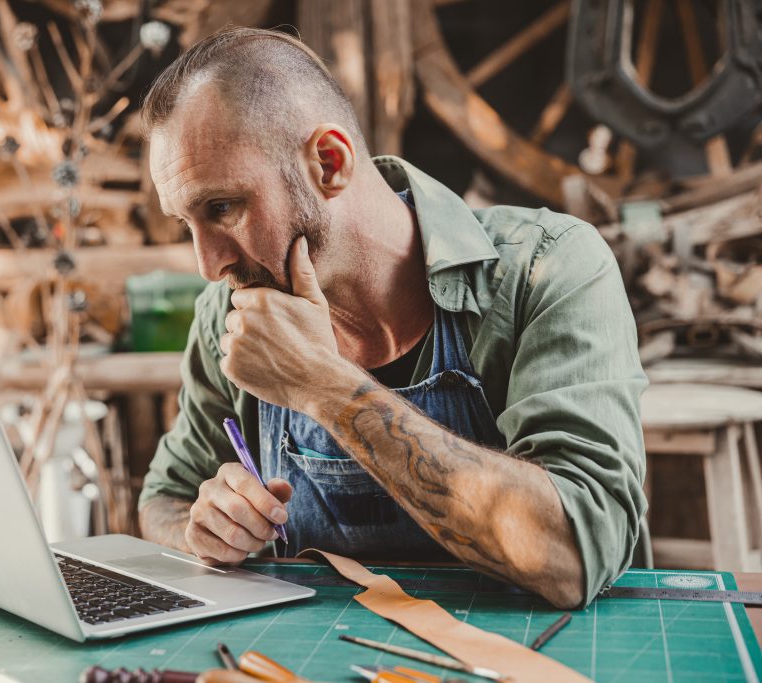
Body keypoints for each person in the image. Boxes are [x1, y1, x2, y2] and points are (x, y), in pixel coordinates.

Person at [136, 27, 647, 609]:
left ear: (328, 162)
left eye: (222, 207)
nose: (209, 264)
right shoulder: (229, 314)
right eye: (187, 223)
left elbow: (576, 554)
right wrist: (206, 530)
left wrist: (321, 385)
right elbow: (163, 499)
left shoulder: (547, 268)